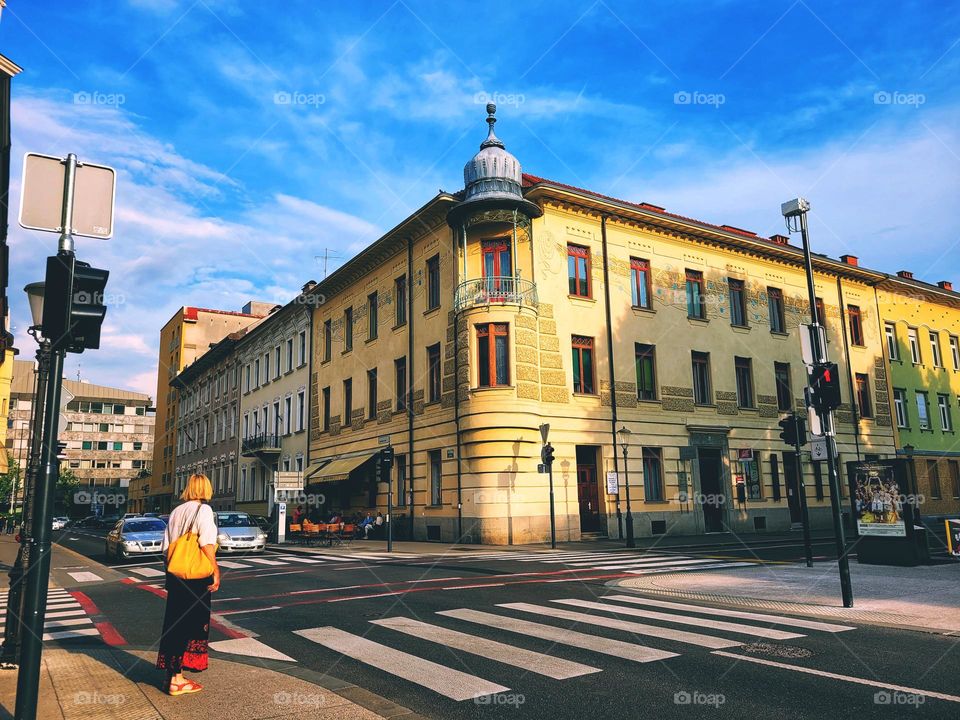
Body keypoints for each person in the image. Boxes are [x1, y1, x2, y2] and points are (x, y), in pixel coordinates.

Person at [157, 474, 220, 696]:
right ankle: (178, 680)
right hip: (196, 577)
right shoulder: (203, 510)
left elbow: (166, 548)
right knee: (193, 623)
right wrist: (216, 570)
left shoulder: (175, 512)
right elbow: (206, 543)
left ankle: (171, 673)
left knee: (175, 622)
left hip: (176, 575)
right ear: (206, 489)